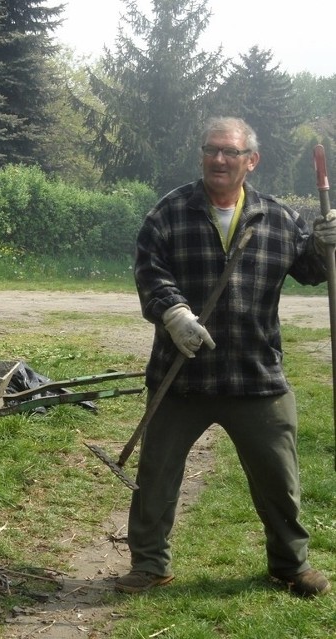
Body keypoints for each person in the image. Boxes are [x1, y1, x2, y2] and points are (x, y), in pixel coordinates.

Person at [117, 116, 336, 597]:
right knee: (155, 477)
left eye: (230, 152)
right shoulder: (169, 213)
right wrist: (173, 311)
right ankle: (150, 565)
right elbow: (149, 272)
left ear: (250, 161)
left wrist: (325, 244)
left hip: (255, 374)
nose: (218, 159)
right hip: (181, 374)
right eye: (211, 150)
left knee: (280, 479)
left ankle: (289, 564)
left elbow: (313, 271)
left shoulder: (277, 217)